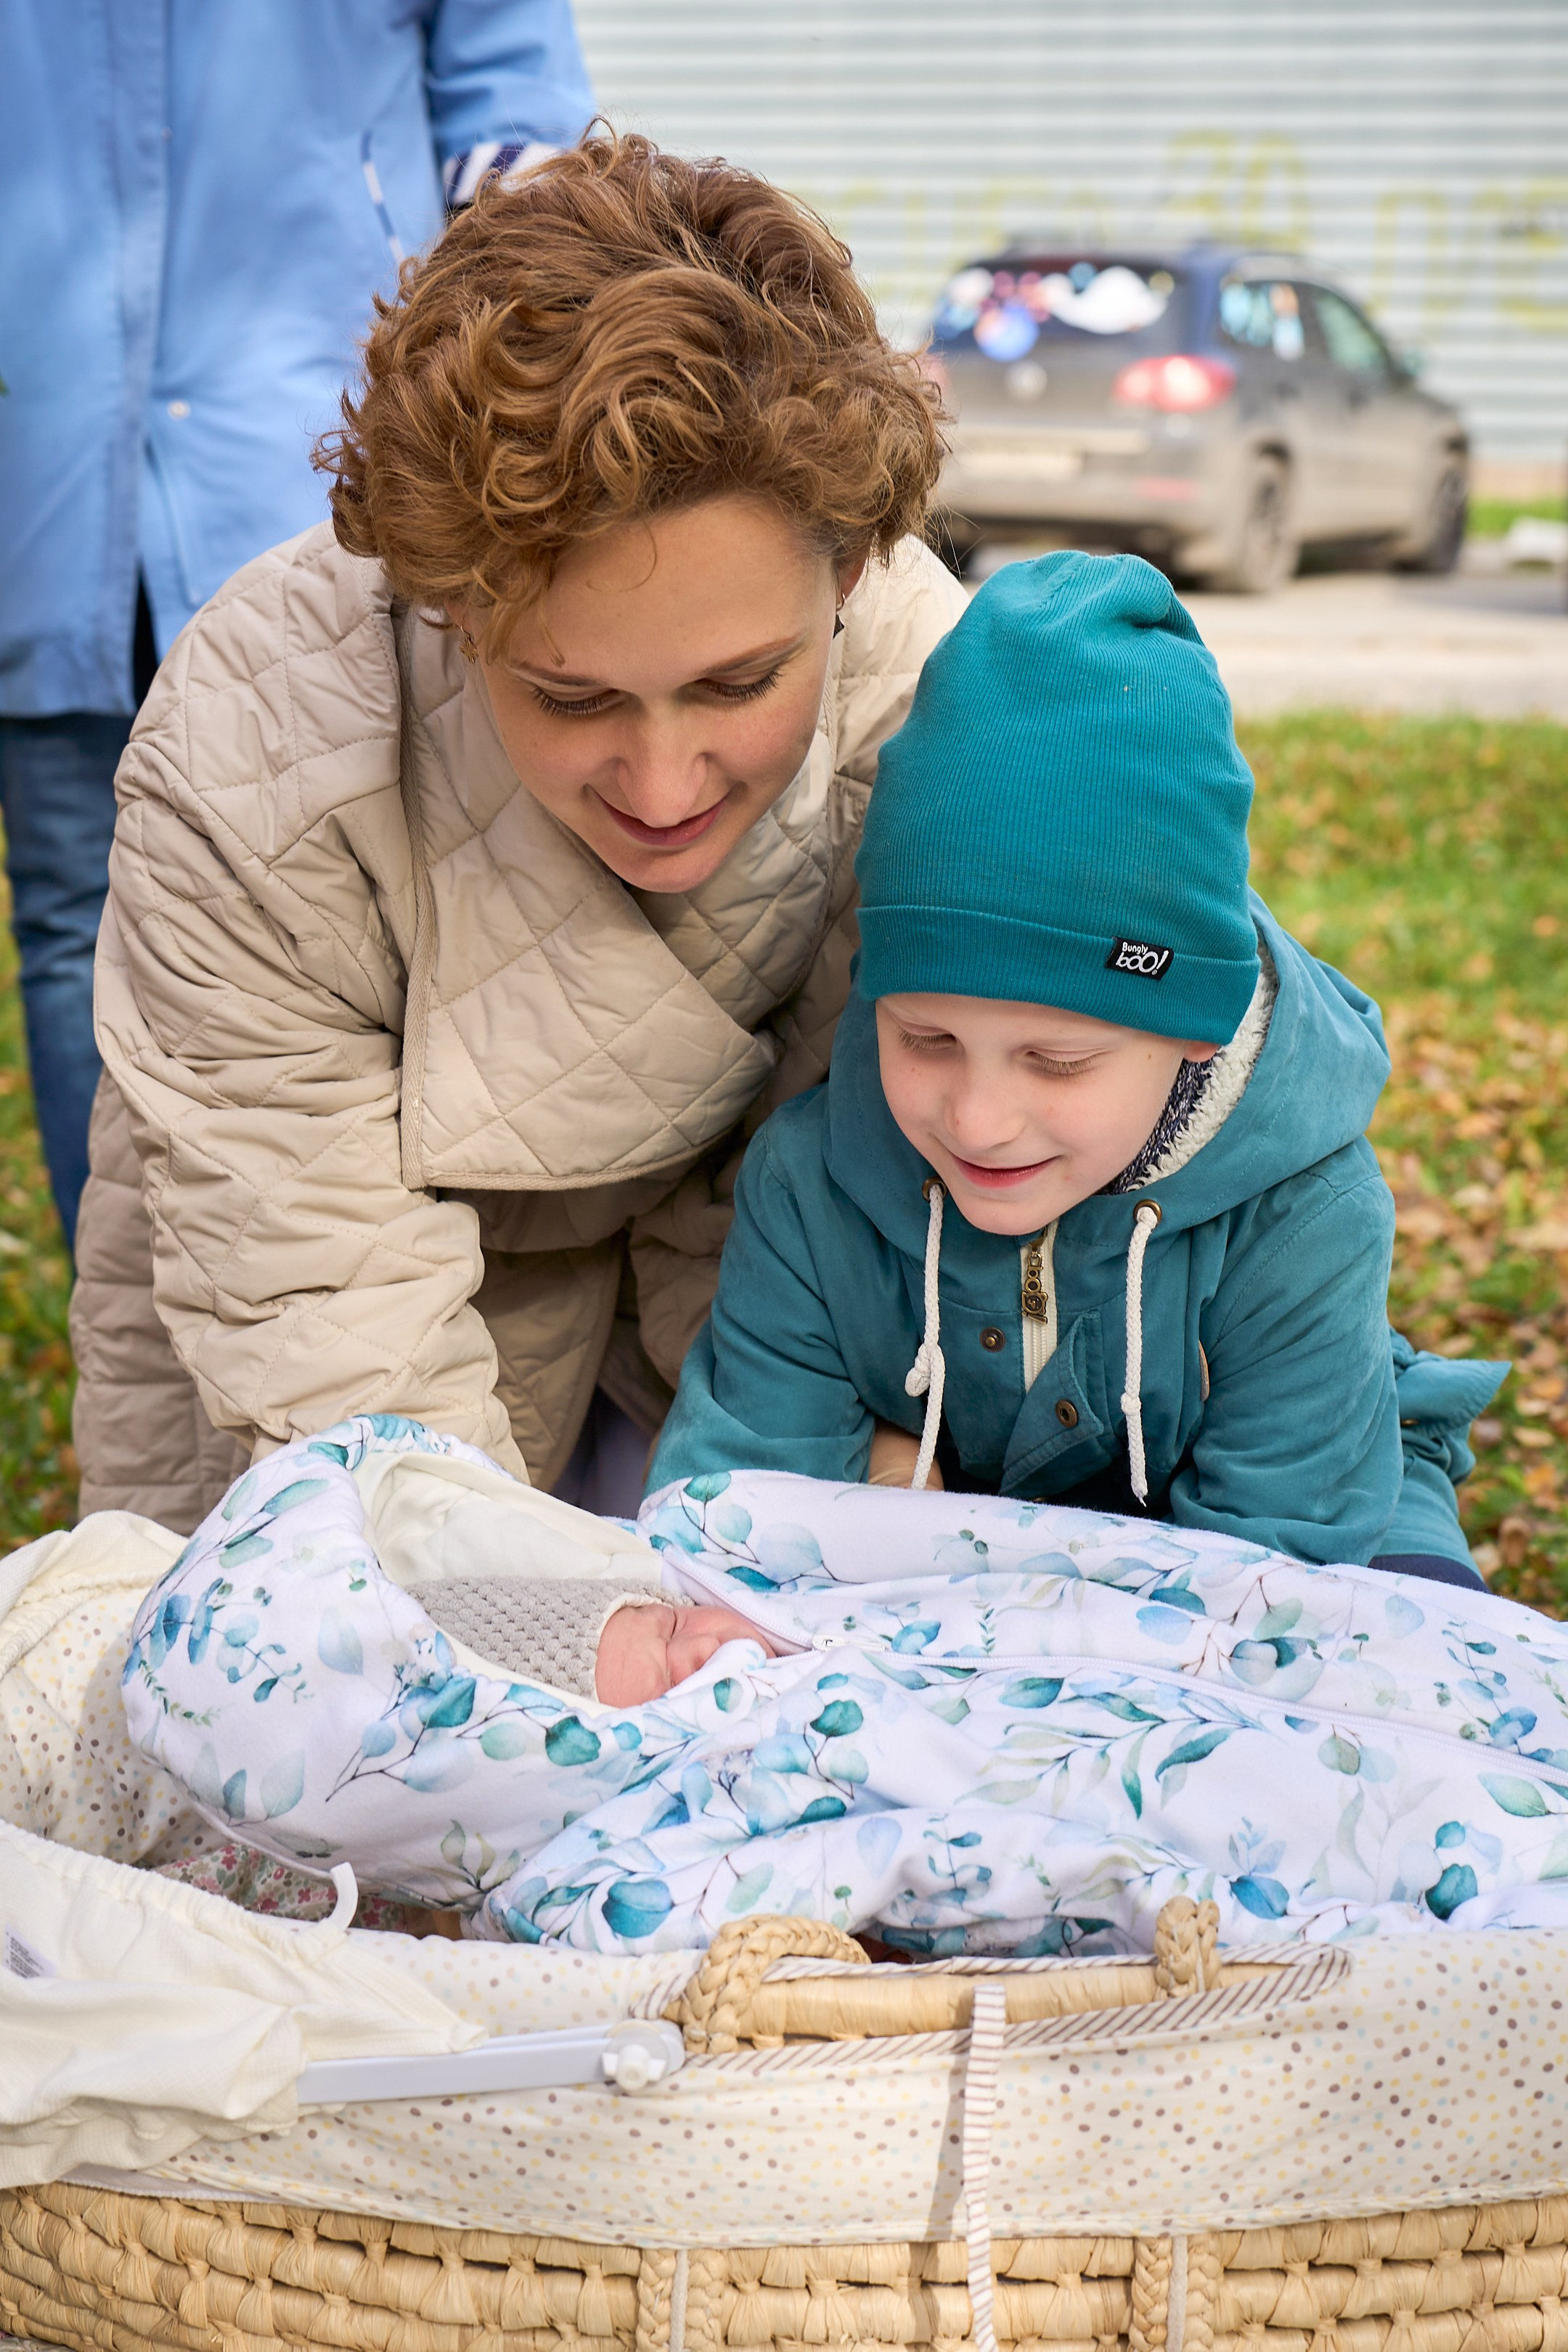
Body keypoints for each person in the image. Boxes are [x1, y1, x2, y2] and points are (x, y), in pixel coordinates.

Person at [72, 132, 968, 1533]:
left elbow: (853, 1153)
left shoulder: (926, 688)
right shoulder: (256, 738)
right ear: (449, 598)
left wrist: (807, 1511)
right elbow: (315, 1293)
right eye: (572, 695)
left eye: (739, 684)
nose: (665, 784)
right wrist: (496, 1595)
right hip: (324, 1327)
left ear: (853, 570)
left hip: (743, 1320)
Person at [650, 552, 1507, 1585]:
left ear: (1197, 1023)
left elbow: (1269, 1580)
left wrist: (918, 1518)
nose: (978, 1119)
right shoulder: (809, 1187)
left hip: (1312, 1532)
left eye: (1056, 1060)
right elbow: (730, 1526)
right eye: (925, 1039)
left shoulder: (1304, 1215)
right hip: (967, 1542)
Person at [0, 0, 596, 1249]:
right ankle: (148, 1355)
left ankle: (377, 1365)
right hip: (45, 475)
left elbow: (516, 124)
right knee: (81, 932)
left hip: (311, 473)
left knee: (376, 930)